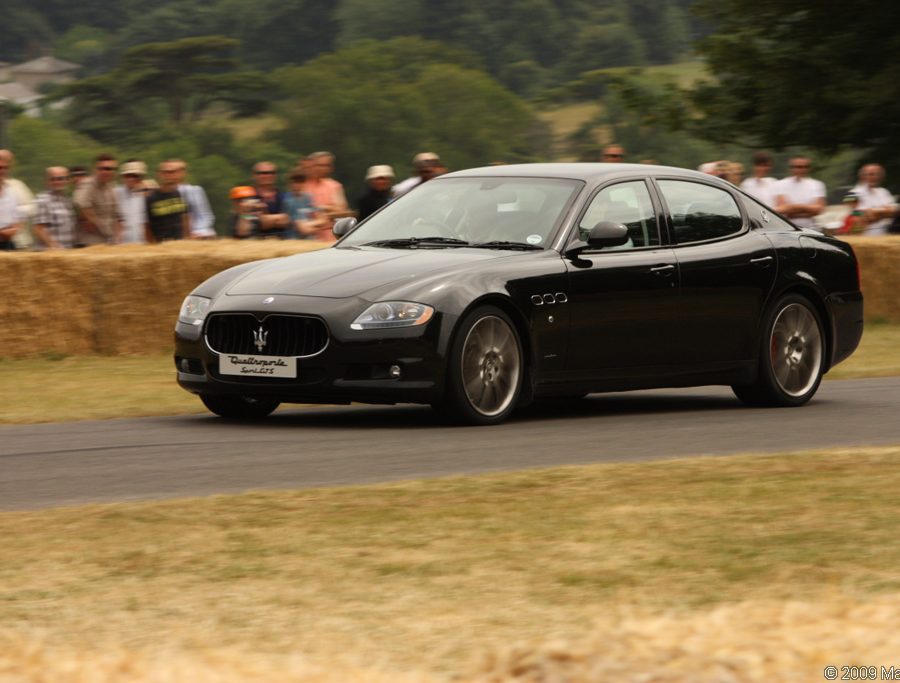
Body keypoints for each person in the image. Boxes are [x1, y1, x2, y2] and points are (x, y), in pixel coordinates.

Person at [74, 153, 123, 245]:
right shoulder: (87, 185)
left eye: (112, 169)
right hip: (88, 242)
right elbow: (80, 204)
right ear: (95, 170)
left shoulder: (111, 188)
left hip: (106, 241)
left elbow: (116, 215)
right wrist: (84, 218)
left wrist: (117, 238)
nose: (108, 172)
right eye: (103, 168)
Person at [301, 151, 350, 241]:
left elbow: (343, 211)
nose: (324, 168)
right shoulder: (302, 186)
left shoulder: (334, 186)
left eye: (327, 165)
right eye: (320, 165)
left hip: (331, 236)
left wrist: (322, 208)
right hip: (309, 237)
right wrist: (330, 209)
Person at [773, 156, 826, 231]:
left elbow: (819, 209)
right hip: (788, 230)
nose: (801, 169)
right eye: (798, 167)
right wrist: (808, 209)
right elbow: (781, 209)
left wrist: (792, 208)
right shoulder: (780, 184)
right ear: (791, 168)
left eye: (805, 167)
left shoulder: (817, 184)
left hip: (812, 229)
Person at [144, 160, 190, 243]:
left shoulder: (180, 193)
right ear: (159, 174)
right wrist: (151, 245)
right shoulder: (151, 198)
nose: (168, 175)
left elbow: (185, 218)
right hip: (161, 244)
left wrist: (188, 238)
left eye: (172, 172)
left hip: (180, 243)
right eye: (165, 172)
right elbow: (147, 225)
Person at [33, 166, 77, 250]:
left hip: (67, 252)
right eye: (53, 179)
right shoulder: (43, 200)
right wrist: (54, 246)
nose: (56, 182)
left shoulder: (68, 201)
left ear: (67, 180)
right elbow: (39, 229)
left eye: (60, 179)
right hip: (49, 254)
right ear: (47, 181)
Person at [0, 149, 36, 250]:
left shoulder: (17, 185)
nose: (2, 170)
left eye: (6, 166)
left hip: (20, 242)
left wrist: (16, 216)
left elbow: (33, 207)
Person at [172, 159, 216, 239]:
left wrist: (196, 232)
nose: (171, 174)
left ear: (184, 173)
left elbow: (206, 216)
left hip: (196, 233)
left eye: (175, 171)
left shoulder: (195, 190)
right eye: (168, 171)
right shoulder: (158, 194)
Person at [849, 163, 897, 236]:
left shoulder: (884, 192)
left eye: (877, 174)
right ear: (862, 176)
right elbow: (853, 213)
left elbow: (893, 211)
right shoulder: (852, 193)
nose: (874, 177)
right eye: (871, 174)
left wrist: (874, 213)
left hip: (884, 233)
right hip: (863, 234)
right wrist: (880, 213)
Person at [251, 161, 291, 238]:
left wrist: (264, 219)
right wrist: (278, 218)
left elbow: (287, 221)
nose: (268, 175)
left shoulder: (284, 197)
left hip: (282, 243)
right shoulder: (248, 197)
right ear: (254, 175)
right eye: (263, 173)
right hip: (255, 244)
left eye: (272, 172)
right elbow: (252, 223)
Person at [115, 160, 151, 244]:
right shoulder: (116, 193)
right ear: (123, 177)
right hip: (121, 243)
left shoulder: (150, 193)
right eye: (128, 176)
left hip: (143, 242)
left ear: (142, 177)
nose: (131, 179)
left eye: (135, 176)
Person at [283, 169, 324, 239]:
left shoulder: (308, 197)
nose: (297, 185)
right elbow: (301, 229)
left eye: (300, 182)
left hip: (311, 239)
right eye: (295, 182)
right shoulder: (288, 200)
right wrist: (316, 228)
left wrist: (310, 225)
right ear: (289, 184)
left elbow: (323, 219)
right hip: (295, 240)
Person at [0, 157, 22, 251]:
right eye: (0, 168)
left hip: (8, 243)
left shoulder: (11, 191)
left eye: (5, 168)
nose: (3, 171)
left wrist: (15, 229)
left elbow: (16, 218)